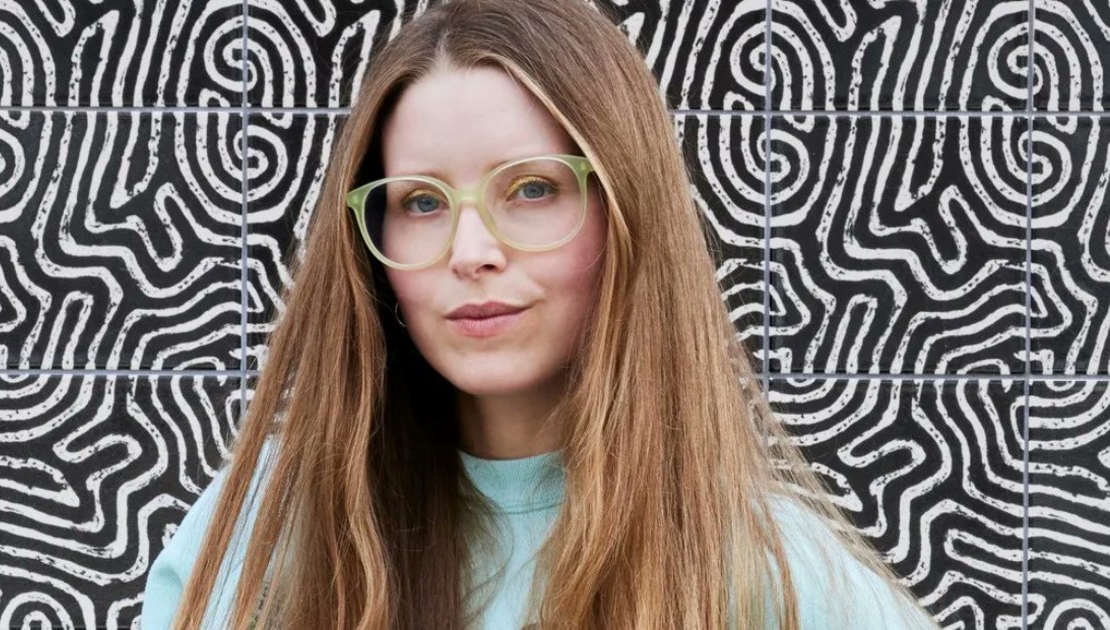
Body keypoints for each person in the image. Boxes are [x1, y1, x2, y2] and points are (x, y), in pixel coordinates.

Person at [140, 0, 942, 628]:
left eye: (531, 188)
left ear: (626, 211)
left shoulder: (768, 567)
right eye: (421, 201)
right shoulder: (269, 526)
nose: (471, 250)